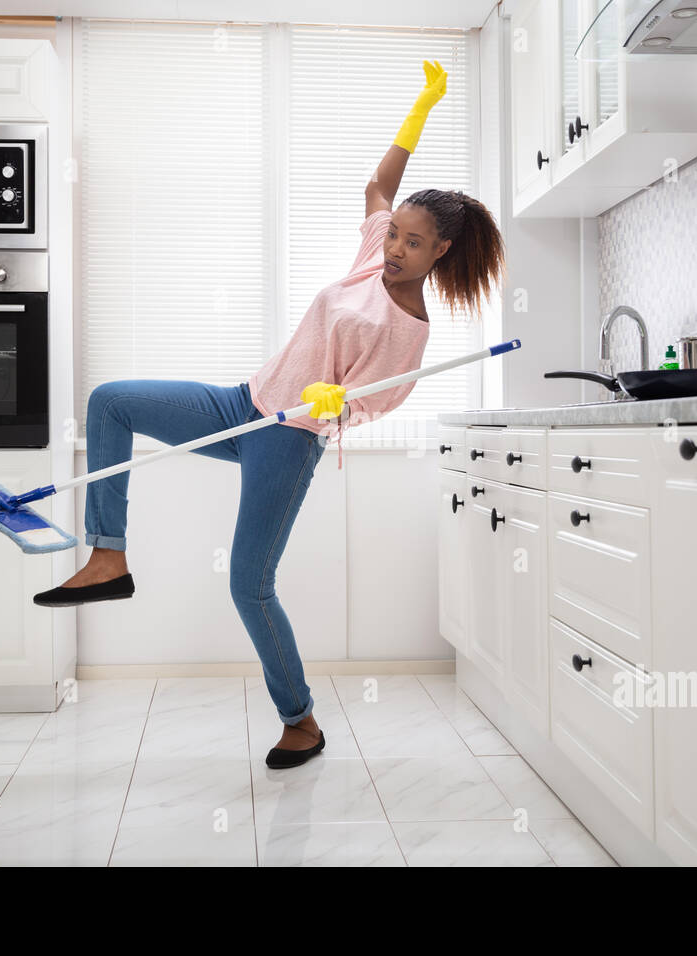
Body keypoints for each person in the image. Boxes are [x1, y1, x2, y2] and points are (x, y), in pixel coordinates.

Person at [32, 59, 505, 769]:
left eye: (412, 242)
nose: (395, 249)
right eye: (395, 234)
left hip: (288, 441)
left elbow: (378, 400)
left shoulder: (408, 328)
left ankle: (301, 722)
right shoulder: (375, 250)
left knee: (247, 584)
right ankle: (108, 556)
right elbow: (379, 185)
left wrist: (336, 400)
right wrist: (423, 106)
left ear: (440, 252)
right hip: (242, 402)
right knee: (111, 402)